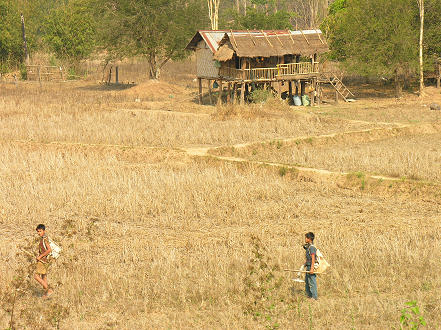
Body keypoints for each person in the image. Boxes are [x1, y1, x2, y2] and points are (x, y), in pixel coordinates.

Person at [34, 224, 53, 298]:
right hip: (45, 261)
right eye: (38, 231)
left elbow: (49, 250)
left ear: (44, 231)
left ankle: (49, 290)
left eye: (40, 231)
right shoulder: (43, 238)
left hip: (43, 261)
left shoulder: (45, 239)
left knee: (36, 276)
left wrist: (40, 256)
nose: (39, 233)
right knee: (44, 277)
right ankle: (46, 295)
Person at [304, 232, 318, 300]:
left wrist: (312, 268)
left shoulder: (312, 248)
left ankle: (314, 297)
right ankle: (309, 295)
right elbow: (308, 258)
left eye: (306, 238)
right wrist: (304, 264)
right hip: (308, 266)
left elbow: (313, 258)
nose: (305, 239)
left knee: (312, 281)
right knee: (307, 281)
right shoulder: (308, 247)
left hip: (311, 267)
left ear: (309, 239)